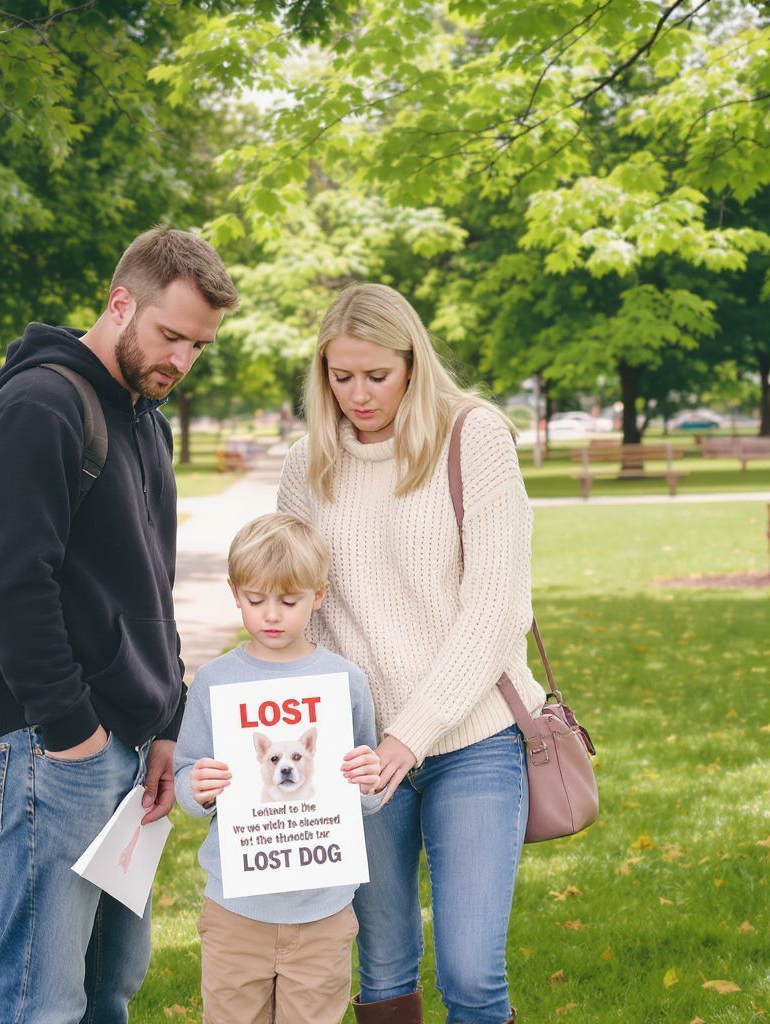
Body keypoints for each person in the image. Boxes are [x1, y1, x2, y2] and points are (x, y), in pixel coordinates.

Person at [0, 227, 238, 1024]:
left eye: (200, 346)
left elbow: (149, 586)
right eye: (171, 336)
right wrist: (73, 736)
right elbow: (9, 588)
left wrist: (165, 722)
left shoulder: (143, 415)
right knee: (40, 1002)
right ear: (122, 304)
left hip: (128, 753)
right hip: (54, 748)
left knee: (108, 990)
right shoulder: (41, 405)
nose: (182, 360)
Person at [276, 283, 547, 1024]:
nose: (357, 395)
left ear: (412, 364)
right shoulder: (309, 463)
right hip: (358, 750)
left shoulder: (474, 437)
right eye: (340, 377)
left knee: (470, 970)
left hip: (473, 739)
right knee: (385, 962)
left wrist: (412, 732)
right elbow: (298, 603)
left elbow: (496, 611)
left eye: (376, 376)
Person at [174, 512, 382, 1024]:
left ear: (319, 595)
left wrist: (368, 778)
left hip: (323, 911)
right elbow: (185, 776)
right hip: (235, 912)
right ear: (234, 592)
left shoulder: (344, 681)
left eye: (289, 602)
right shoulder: (214, 682)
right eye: (255, 600)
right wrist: (197, 788)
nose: (272, 615)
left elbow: (368, 790)